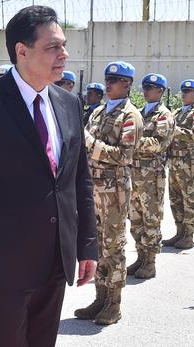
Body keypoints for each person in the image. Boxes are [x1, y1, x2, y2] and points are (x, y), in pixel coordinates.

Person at [0, 6, 98, 346]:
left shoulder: (68, 104)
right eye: (53, 47)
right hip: (1, 267)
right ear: (21, 50)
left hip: (56, 261)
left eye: (64, 45)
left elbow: (79, 181)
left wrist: (87, 243)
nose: (64, 54)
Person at [75, 61, 143, 325]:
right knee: (96, 245)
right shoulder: (99, 112)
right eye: (107, 78)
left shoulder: (131, 116)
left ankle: (113, 304)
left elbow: (125, 156)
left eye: (114, 79)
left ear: (126, 84)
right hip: (93, 187)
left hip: (114, 191)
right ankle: (99, 297)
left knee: (113, 247)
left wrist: (91, 144)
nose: (108, 83)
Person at [127, 73, 174, 279]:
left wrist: (131, 142)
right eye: (144, 87)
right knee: (135, 219)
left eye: (151, 88)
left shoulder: (164, 116)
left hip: (151, 176)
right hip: (134, 174)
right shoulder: (137, 113)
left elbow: (158, 143)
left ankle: (150, 262)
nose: (145, 91)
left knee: (151, 219)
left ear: (160, 91)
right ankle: (140, 256)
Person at [162, 79, 194, 249]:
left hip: (188, 161)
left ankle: (189, 235)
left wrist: (173, 130)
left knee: (189, 198)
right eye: (183, 91)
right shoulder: (177, 112)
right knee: (175, 198)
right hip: (174, 160)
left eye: (188, 91)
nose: (184, 94)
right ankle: (179, 232)